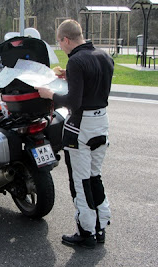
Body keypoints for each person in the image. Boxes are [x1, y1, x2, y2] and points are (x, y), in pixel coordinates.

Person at [36, 19, 113, 249]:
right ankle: (100, 227)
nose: (61, 47)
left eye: (60, 43)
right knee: (94, 176)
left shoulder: (76, 61)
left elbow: (74, 102)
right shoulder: (103, 56)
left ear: (66, 39)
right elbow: (94, 84)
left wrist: (49, 94)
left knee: (80, 181)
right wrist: (71, 78)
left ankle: (86, 232)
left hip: (81, 125)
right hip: (102, 122)